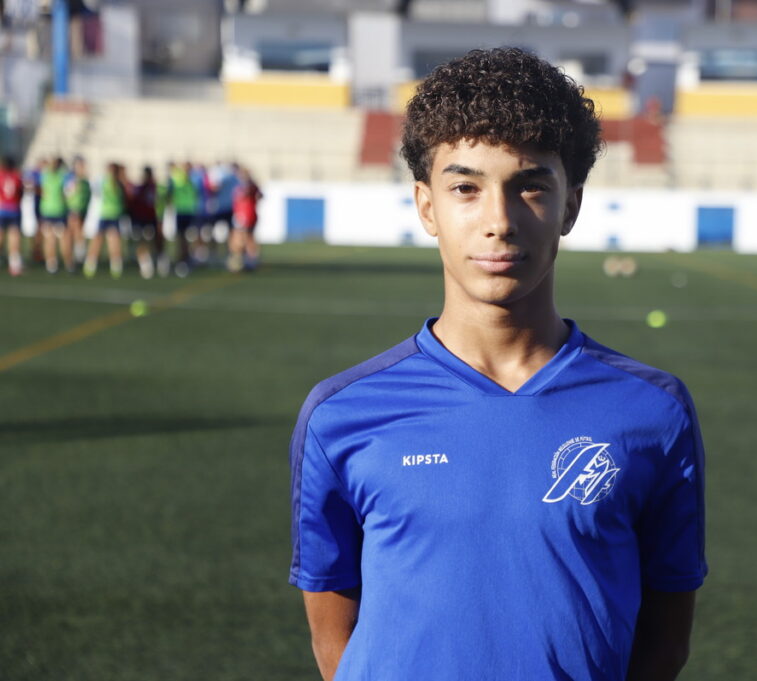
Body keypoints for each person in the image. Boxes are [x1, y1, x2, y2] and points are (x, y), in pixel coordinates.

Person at [289, 48, 707, 681]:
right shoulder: (341, 415)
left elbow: (664, 643)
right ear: (427, 206)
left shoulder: (654, 411)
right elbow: (333, 640)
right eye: (465, 188)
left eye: (531, 185)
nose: (499, 222)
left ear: (571, 203)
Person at [83, 162, 125, 279]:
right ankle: (92, 264)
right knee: (100, 240)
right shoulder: (110, 182)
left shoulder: (113, 183)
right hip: (107, 214)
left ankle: (113, 266)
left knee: (111, 241)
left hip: (110, 214)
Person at [128, 165, 165, 279]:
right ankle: (146, 265)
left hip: (151, 218)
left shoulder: (155, 188)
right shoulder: (141, 188)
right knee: (142, 241)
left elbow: (159, 203)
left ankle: (160, 262)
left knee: (155, 241)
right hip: (141, 219)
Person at [39, 156, 72, 273]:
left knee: (49, 238)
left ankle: (51, 264)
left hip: (46, 210)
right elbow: (69, 193)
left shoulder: (44, 175)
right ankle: (68, 264)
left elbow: (41, 190)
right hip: (59, 210)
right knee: (63, 238)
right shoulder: (64, 176)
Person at [227, 166, 261, 273]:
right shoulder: (241, 185)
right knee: (242, 238)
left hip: (247, 215)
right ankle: (244, 260)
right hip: (241, 215)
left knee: (244, 238)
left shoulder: (249, 186)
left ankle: (247, 260)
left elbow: (258, 195)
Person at [64, 156, 91, 264]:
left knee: (78, 232)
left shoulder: (84, 181)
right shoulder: (72, 180)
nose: (83, 168)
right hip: (74, 210)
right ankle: (71, 257)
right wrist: (72, 209)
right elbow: (67, 195)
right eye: (81, 166)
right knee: (72, 233)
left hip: (82, 210)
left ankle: (75, 255)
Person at [0, 156, 25, 275]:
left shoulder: (1, 175)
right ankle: (14, 264)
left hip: (2, 209)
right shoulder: (17, 176)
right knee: (14, 236)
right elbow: (21, 192)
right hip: (14, 209)